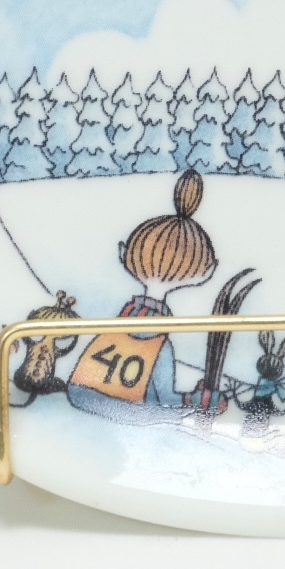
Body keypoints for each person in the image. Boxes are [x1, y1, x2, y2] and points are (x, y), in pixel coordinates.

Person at [66, 169, 216, 424]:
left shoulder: (114, 326)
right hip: (132, 414)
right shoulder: (160, 345)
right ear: (204, 273)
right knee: (172, 410)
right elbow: (166, 400)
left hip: (80, 395)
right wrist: (197, 400)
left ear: (124, 252)